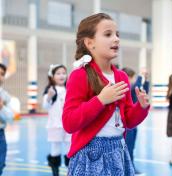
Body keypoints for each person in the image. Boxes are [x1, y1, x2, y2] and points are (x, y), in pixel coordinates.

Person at [62, 13, 150, 176]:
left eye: (117, 34)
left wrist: (141, 108)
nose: (116, 39)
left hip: (119, 150)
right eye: (108, 34)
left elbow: (128, 121)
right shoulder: (80, 75)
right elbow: (69, 122)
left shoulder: (121, 76)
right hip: (90, 154)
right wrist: (101, 100)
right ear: (89, 43)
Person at [42, 64, 71, 176]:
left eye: (63, 73)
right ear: (52, 76)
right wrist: (49, 96)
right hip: (55, 125)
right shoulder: (50, 89)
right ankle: (55, 173)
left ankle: (70, 172)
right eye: (58, 73)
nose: (61, 75)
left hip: (68, 125)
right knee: (55, 149)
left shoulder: (69, 88)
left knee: (69, 150)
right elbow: (46, 106)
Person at [122, 67, 149, 175]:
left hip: (133, 123)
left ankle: (131, 167)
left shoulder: (132, 89)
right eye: (132, 78)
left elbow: (143, 91)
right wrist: (140, 75)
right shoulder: (126, 88)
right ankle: (127, 168)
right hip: (126, 124)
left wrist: (146, 79)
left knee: (131, 147)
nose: (133, 80)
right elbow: (136, 86)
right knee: (128, 147)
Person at [0, 63, 14, 175]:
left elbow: (10, 117)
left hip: (0, 135)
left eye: (2, 74)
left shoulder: (5, 96)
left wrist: (1, 107)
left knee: (0, 164)